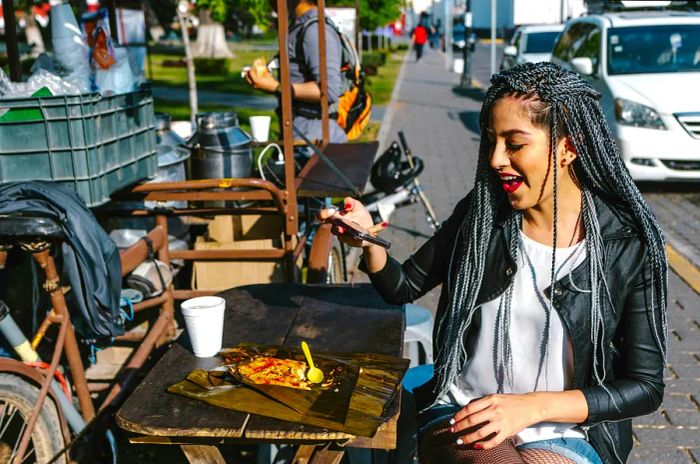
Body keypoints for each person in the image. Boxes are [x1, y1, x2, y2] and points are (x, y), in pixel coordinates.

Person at [319, 62, 667, 464]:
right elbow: (402, 287)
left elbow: (645, 385)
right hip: (462, 410)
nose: (496, 158)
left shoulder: (628, 241)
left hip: (568, 431)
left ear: (569, 147)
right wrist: (369, 242)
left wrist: (531, 407)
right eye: (491, 142)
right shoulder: (481, 216)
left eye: (514, 143)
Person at [245, 0, 347, 143]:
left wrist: (276, 87)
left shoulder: (315, 29)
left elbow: (328, 90)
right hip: (301, 138)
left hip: (314, 144)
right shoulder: (300, 26)